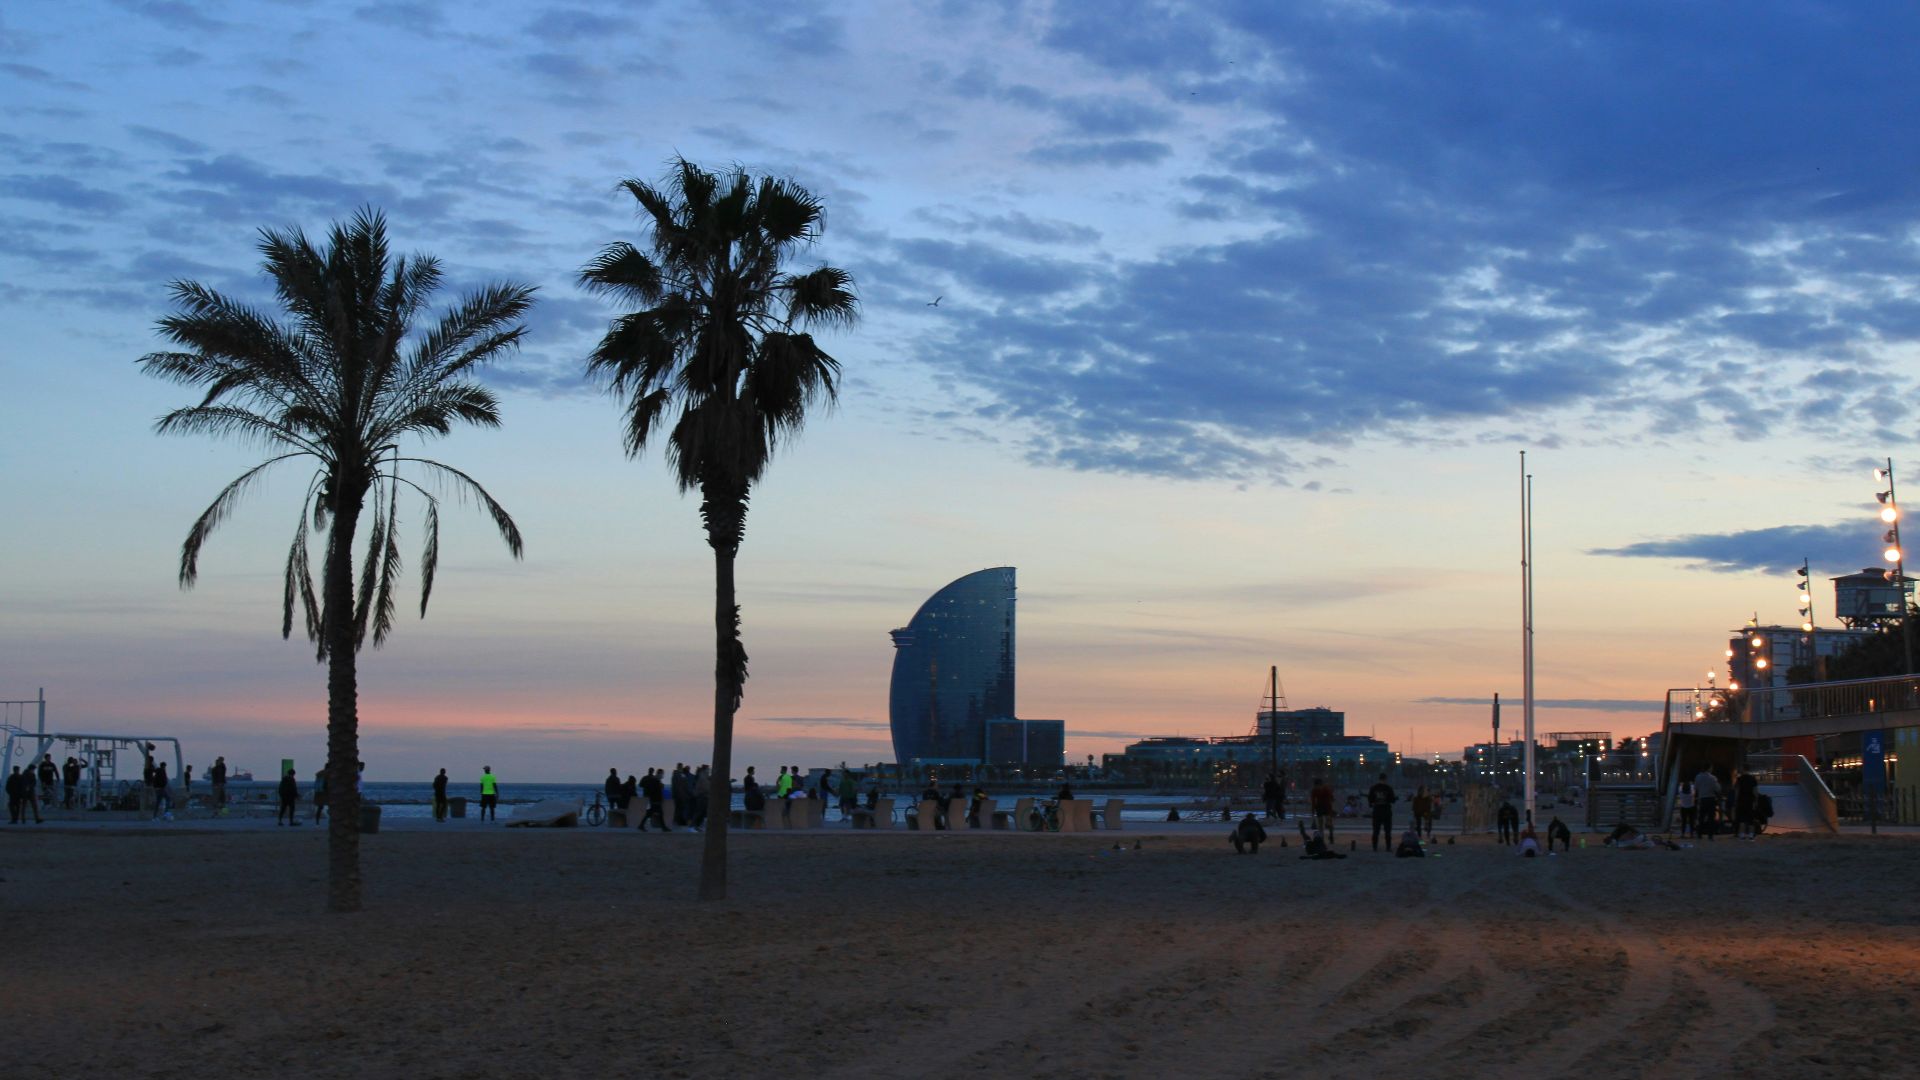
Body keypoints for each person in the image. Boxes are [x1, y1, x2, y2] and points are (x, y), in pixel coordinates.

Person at [1367, 773, 1397, 852]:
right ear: (1385, 779)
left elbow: (1370, 800)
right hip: (1386, 811)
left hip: (1377, 811)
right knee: (1387, 831)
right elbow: (1392, 800)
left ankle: (1375, 847)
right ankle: (1388, 847)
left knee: (1376, 830)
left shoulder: (1373, 788)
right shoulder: (1388, 788)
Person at [1692, 766, 1721, 841]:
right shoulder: (1713, 778)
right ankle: (1710, 835)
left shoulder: (1698, 777)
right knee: (1711, 818)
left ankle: (1699, 834)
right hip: (1711, 799)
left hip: (1702, 799)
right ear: (1709, 768)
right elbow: (1717, 789)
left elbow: (1696, 787)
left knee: (1701, 817)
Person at [1732, 768, 1759, 840]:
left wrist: (1735, 801)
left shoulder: (1739, 779)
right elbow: (1755, 791)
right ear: (1749, 770)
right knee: (1751, 819)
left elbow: (1736, 791)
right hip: (1750, 801)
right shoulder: (1753, 779)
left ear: (1743, 770)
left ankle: (1742, 835)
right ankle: (1751, 835)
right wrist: (1756, 801)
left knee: (1741, 819)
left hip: (1741, 801)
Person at [690, 765, 711, 831]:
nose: (709, 770)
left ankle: (697, 826)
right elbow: (705, 788)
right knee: (699, 812)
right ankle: (692, 826)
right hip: (702, 797)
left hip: (704, 797)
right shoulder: (703, 777)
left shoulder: (705, 777)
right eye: (708, 769)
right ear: (705, 770)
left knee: (702, 812)